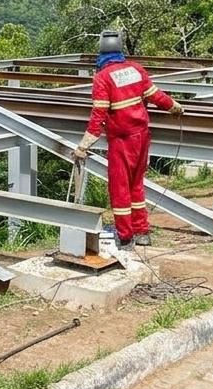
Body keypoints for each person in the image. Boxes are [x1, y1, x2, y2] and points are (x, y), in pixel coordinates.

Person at [73, 29, 183, 247]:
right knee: (136, 185)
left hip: (121, 140)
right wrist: (174, 106)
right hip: (142, 137)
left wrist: (83, 146)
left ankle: (125, 235)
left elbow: (98, 117)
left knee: (120, 188)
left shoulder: (103, 78)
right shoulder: (135, 69)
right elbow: (156, 96)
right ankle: (142, 231)